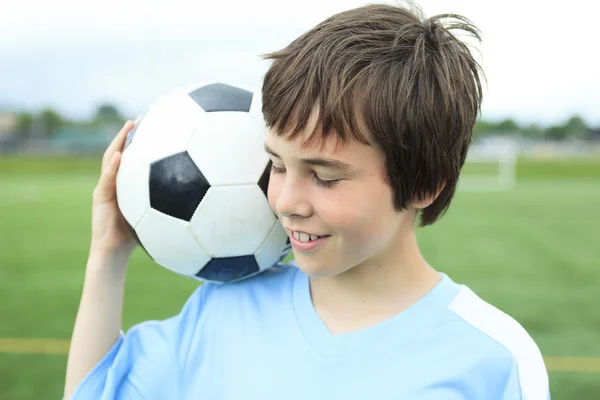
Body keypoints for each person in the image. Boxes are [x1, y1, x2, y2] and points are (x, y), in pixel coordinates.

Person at [64, 3, 551, 399]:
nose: (286, 200)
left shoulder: (493, 359)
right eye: (275, 165)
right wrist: (107, 253)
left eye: (324, 177)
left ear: (425, 184)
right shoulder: (222, 310)